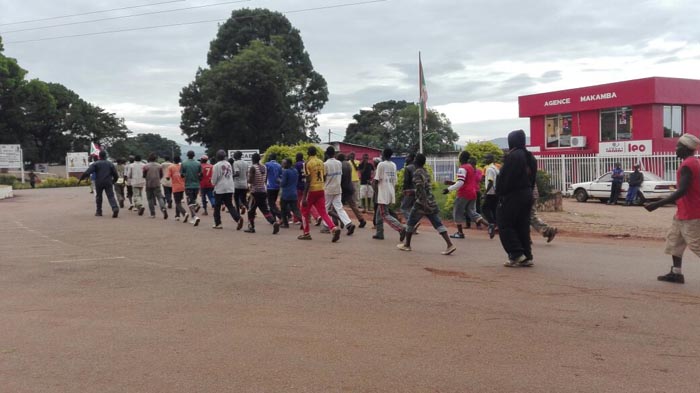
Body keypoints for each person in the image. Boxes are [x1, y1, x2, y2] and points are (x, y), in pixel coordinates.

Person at [645, 134, 700, 284]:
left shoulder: (688, 165)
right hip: (683, 212)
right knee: (675, 242)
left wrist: (657, 204)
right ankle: (676, 273)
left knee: (697, 245)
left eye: (678, 146)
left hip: (691, 213)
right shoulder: (694, 162)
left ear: (685, 148)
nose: (675, 149)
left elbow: (682, 190)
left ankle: (676, 273)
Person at [397, 153, 456, 255]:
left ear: (416, 161)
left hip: (421, 203)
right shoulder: (426, 172)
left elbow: (420, 189)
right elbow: (425, 188)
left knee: (410, 222)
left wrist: (423, 203)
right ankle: (450, 244)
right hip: (431, 201)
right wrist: (413, 192)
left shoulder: (417, 173)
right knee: (438, 224)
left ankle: (407, 245)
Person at [497, 129, 538, 267]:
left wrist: (500, 194)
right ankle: (527, 255)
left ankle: (516, 254)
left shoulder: (513, 156)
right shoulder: (529, 156)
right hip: (527, 194)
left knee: (505, 224)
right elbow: (533, 179)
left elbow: (506, 179)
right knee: (522, 225)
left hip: (513, 194)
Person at [299, 146, 340, 242]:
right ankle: (333, 228)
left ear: (308, 153)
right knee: (323, 212)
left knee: (304, 210)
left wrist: (304, 197)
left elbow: (308, 180)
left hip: (312, 190)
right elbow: (324, 176)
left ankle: (306, 233)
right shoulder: (321, 162)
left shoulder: (307, 163)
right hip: (321, 189)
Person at [443, 151, 488, 238]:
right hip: (473, 192)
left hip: (463, 193)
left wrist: (448, 189)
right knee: (471, 211)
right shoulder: (471, 167)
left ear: (461, 158)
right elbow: (466, 181)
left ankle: (460, 233)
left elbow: (461, 182)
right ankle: (489, 225)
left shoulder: (462, 168)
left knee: (457, 212)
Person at [373, 148, 406, 241]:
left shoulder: (381, 164)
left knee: (384, 214)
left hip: (383, 192)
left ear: (383, 154)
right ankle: (379, 233)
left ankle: (401, 228)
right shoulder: (393, 165)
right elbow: (395, 180)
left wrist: (376, 191)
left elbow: (376, 180)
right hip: (390, 190)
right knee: (379, 214)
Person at [245, 153, 280, 234]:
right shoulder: (264, 167)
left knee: (250, 210)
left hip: (254, 192)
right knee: (265, 210)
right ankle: (273, 222)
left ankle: (251, 227)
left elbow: (251, 180)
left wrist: (247, 179)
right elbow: (265, 179)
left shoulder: (253, 167)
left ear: (252, 159)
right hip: (263, 191)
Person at [324, 147, 355, 235]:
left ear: (327, 154)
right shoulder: (339, 163)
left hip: (328, 189)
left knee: (325, 208)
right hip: (338, 188)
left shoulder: (325, 164)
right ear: (334, 154)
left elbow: (324, 177)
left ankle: (327, 226)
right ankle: (349, 224)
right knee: (340, 208)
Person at [78, 150, 120, 218]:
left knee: (99, 197)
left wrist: (81, 179)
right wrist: (113, 181)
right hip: (108, 181)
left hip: (99, 182)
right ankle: (115, 208)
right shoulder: (110, 164)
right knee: (111, 196)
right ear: (105, 156)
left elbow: (88, 172)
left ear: (99, 156)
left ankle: (99, 211)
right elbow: (115, 175)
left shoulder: (96, 164)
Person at [211, 150, 244, 230]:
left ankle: (218, 223)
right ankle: (238, 218)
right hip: (230, 187)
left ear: (217, 157)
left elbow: (214, 179)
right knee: (229, 205)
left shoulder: (216, 166)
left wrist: (213, 183)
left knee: (217, 206)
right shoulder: (228, 164)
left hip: (220, 188)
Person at [339, 153, 367, 228]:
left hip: (343, 188)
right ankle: (361, 220)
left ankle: (343, 222)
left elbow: (341, 178)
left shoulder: (340, 165)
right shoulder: (348, 164)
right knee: (353, 205)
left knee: (338, 207)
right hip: (349, 186)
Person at [143, 152, 168, 220]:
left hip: (149, 183)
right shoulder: (159, 166)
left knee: (150, 198)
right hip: (157, 183)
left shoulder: (146, 166)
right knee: (159, 197)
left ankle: (152, 214)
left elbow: (144, 175)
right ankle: (163, 208)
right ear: (156, 159)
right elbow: (161, 175)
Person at [278, 158, 302, 228]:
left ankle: (285, 224)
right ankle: (302, 221)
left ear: (288, 164)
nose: (283, 164)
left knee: (283, 208)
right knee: (295, 209)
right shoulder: (295, 171)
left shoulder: (286, 172)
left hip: (286, 194)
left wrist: (279, 181)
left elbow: (283, 183)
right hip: (294, 192)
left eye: (284, 163)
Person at [180, 150, 202, 226]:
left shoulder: (184, 163)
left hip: (188, 185)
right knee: (193, 200)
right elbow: (201, 175)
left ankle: (195, 217)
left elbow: (182, 175)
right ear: (194, 155)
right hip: (196, 185)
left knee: (190, 202)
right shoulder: (198, 163)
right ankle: (194, 216)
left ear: (187, 155)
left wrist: (186, 175)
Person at [483, 154, 499, 239]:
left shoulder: (489, 169)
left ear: (491, 159)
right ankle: (497, 225)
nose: (485, 159)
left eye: (487, 157)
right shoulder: (495, 168)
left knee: (484, 208)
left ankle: (491, 224)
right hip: (496, 192)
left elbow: (490, 182)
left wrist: (485, 193)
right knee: (493, 209)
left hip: (491, 193)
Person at [167, 156, 188, 222]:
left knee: (177, 202)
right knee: (178, 201)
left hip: (175, 187)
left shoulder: (171, 167)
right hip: (182, 186)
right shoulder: (182, 166)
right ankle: (177, 215)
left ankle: (184, 213)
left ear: (173, 160)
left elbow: (168, 177)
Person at [265, 153, 283, 221]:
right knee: (273, 202)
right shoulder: (279, 165)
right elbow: (281, 175)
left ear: (270, 157)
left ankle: (280, 216)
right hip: (277, 186)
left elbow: (265, 174)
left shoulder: (267, 164)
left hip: (270, 186)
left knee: (271, 203)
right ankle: (273, 218)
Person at [232, 151, 249, 215]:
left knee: (236, 199)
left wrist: (231, 176)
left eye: (234, 155)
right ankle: (250, 211)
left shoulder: (235, 163)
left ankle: (238, 214)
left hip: (237, 184)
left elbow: (237, 173)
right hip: (244, 184)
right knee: (244, 199)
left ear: (236, 156)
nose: (233, 156)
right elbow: (247, 173)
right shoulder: (246, 163)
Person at [400, 153, 416, 220]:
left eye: (407, 157)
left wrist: (404, 190)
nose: (406, 158)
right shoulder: (416, 167)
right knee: (412, 208)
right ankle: (411, 224)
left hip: (409, 191)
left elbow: (406, 180)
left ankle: (411, 222)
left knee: (403, 208)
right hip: (417, 190)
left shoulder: (408, 168)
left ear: (411, 158)